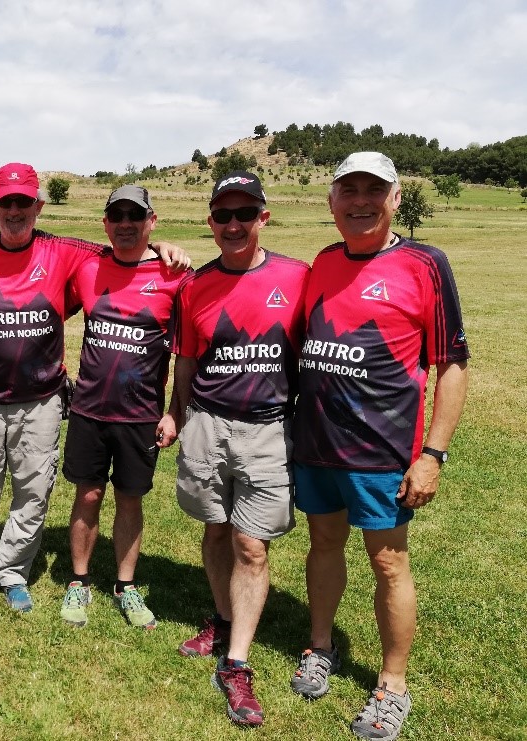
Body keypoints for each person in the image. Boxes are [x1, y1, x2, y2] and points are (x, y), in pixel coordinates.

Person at [0, 163, 190, 617]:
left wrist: (160, 247)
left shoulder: (66, 251)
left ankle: (13, 572)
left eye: (24, 202)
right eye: (6, 202)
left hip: (42, 398)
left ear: (38, 206)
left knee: (33, 492)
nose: (14, 211)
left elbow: (123, 248)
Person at [289, 152, 469, 740]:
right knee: (323, 542)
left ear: (395, 198)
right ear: (332, 202)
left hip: (384, 452)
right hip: (316, 443)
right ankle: (321, 648)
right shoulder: (321, 261)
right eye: (350, 189)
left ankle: (393, 685)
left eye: (374, 190)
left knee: (388, 562)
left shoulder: (424, 262)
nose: (361, 200)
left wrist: (433, 454)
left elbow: (453, 365)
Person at [162, 171, 309, 726]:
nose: (233, 224)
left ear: (263, 218)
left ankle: (237, 662)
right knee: (215, 529)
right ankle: (222, 618)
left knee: (252, 546)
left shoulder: (297, 276)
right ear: (210, 223)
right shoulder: (195, 286)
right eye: (223, 215)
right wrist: (177, 412)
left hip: (270, 430)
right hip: (207, 424)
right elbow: (187, 358)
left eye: (244, 214)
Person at [59, 185, 188, 630]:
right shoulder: (89, 269)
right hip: (90, 410)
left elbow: (187, 353)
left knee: (129, 501)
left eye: (136, 215)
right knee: (88, 494)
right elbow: (46, 312)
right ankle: (79, 580)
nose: (126, 223)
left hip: (140, 415)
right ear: (106, 223)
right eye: (118, 215)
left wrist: (175, 412)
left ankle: (126, 585)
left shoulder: (176, 276)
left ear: (152, 220)